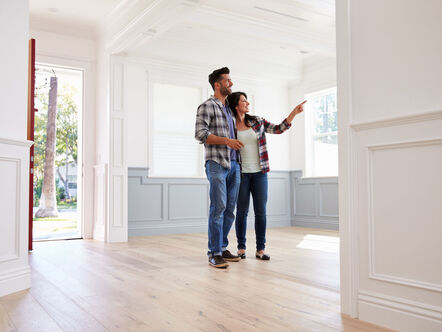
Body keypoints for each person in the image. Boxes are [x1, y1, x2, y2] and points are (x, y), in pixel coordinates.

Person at [227, 91, 306, 260]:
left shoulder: (257, 121)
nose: (247, 104)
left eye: (247, 101)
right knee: (241, 212)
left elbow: (278, 129)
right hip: (240, 174)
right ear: (236, 105)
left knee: (261, 212)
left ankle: (260, 249)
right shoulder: (230, 125)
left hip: (260, 173)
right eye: (244, 101)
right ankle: (241, 248)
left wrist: (293, 113)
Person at [194, 67, 244, 268]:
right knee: (219, 207)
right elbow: (200, 134)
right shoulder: (207, 106)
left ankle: (222, 247)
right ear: (218, 84)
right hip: (216, 163)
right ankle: (213, 253)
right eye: (228, 80)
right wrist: (227, 141)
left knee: (230, 209)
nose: (231, 83)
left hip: (234, 165)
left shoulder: (229, 110)